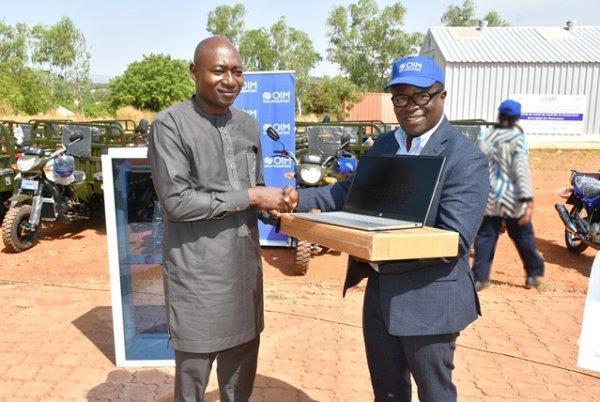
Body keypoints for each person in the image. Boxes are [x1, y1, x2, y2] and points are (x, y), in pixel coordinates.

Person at [284, 56, 489, 401]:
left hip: (430, 299)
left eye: (421, 96)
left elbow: (453, 240)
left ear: (442, 96)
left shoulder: (465, 158)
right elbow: (348, 194)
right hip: (380, 295)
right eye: (401, 97)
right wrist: (291, 199)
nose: (410, 106)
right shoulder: (385, 145)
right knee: (388, 393)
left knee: (435, 394)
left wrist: (375, 247)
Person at [148, 36, 291, 402]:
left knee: (239, 383)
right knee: (193, 382)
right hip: (197, 276)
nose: (230, 81)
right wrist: (252, 196)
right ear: (194, 72)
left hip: (244, 274)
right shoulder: (170, 125)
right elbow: (177, 202)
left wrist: (274, 205)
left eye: (237, 72)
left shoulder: (247, 124)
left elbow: (254, 187)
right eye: (219, 71)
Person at [472, 99, 545, 291]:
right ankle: (534, 275)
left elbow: (480, 166)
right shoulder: (518, 138)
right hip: (514, 198)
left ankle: (479, 278)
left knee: (486, 237)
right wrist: (527, 199)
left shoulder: (485, 136)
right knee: (523, 237)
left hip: (491, 197)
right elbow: (521, 171)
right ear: (516, 117)